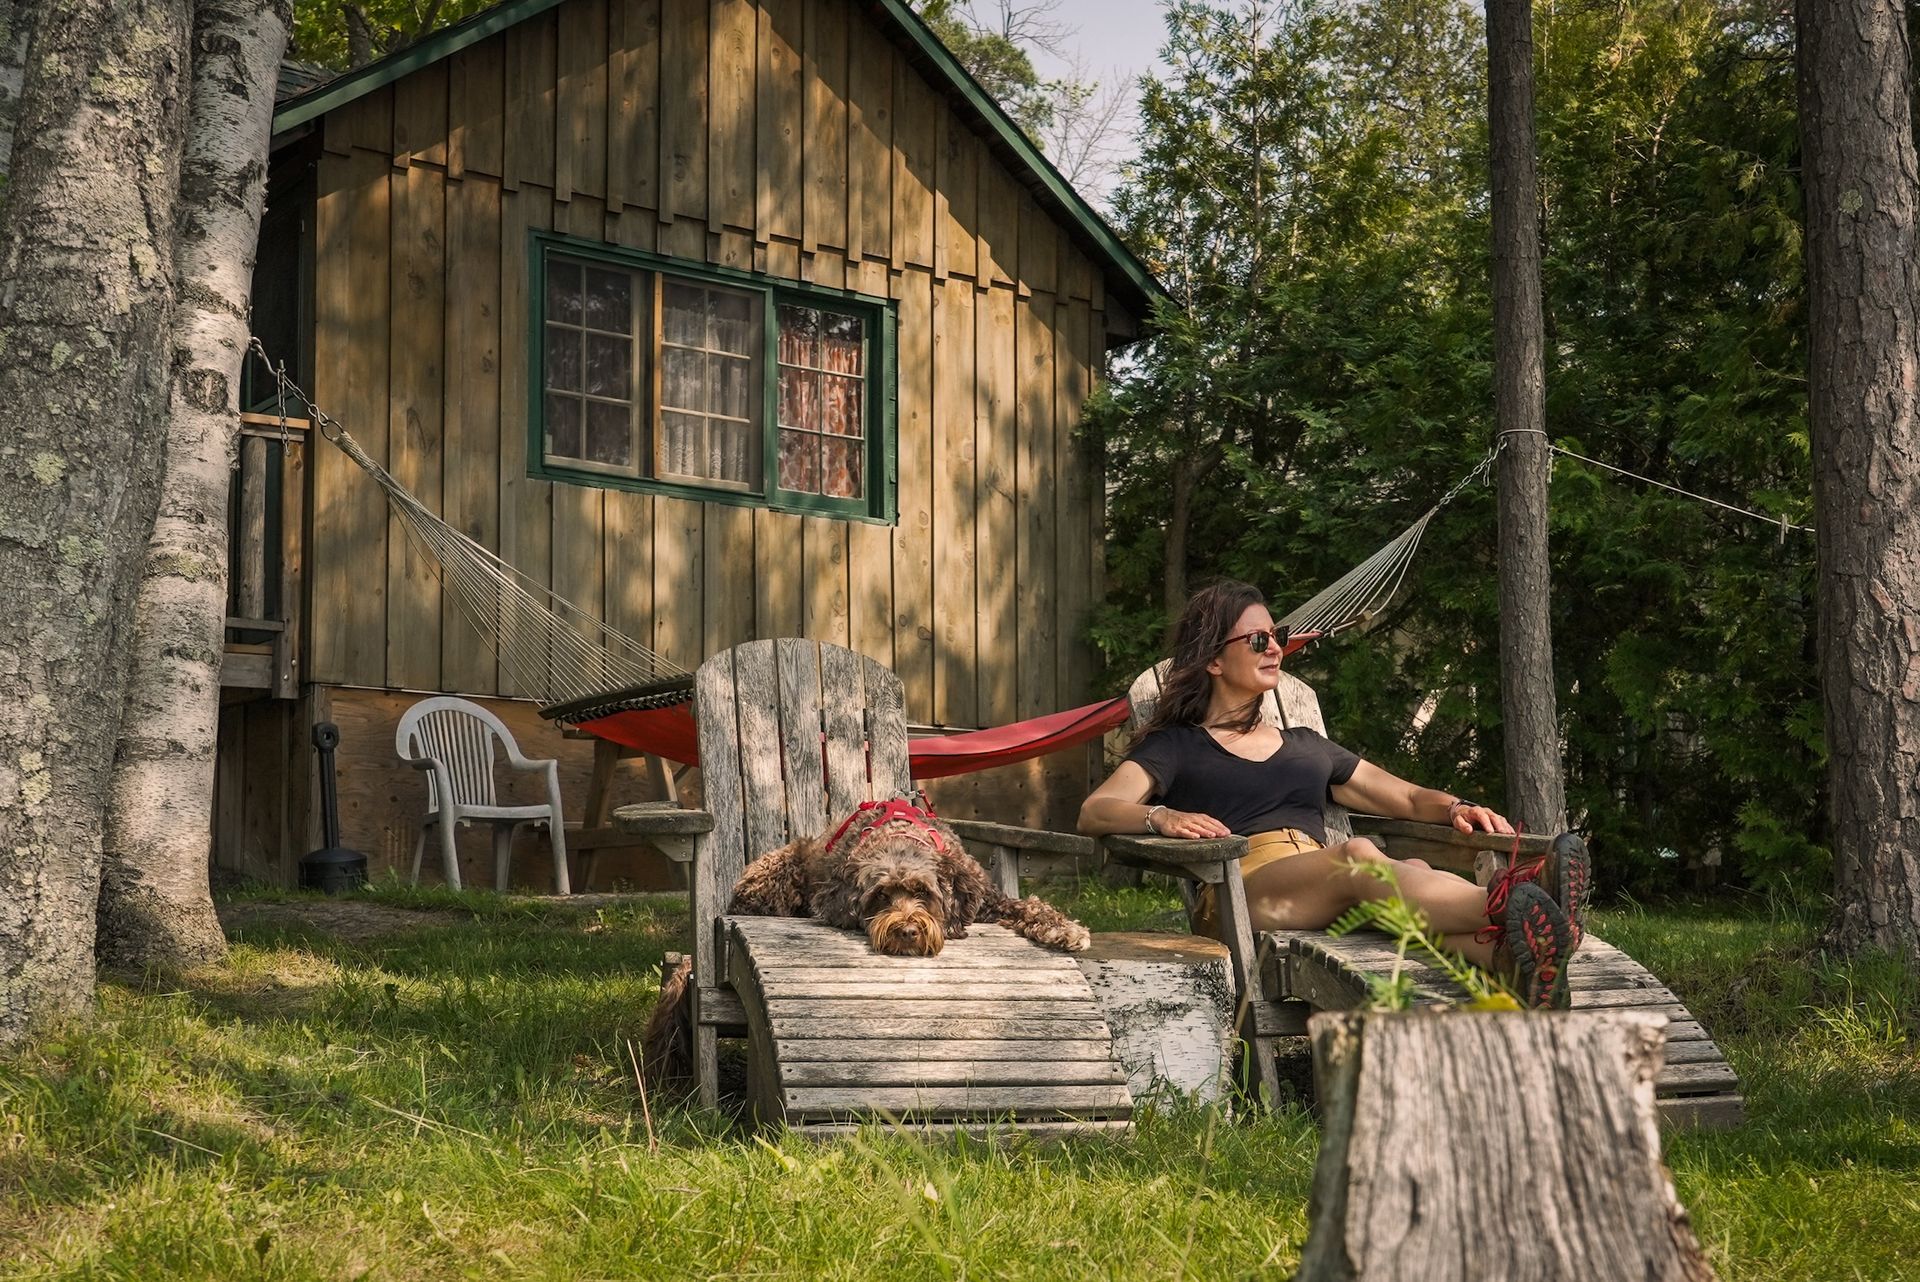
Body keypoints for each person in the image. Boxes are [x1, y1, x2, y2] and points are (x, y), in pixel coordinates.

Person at [1078, 579, 1589, 1009]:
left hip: (1325, 888)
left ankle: (1518, 963)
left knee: (1417, 873)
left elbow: (1407, 799)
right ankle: (1515, 903)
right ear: (1214, 659)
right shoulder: (1179, 745)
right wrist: (1160, 817)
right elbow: (1095, 810)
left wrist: (1457, 806)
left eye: (1275, 635)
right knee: (1359, 857)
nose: (1275, 647)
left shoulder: (1306, 744)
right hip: (1242, 891)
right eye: (1258, 640)